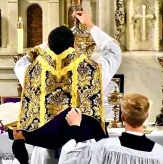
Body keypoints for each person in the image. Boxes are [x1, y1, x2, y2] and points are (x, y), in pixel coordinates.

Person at [13, 10, 122, 164]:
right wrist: (89, 25)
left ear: (48, 46)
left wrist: (45, 44)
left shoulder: (31, 71)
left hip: (44, 148)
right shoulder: (93, 71)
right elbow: (113, 51)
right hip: (82, 148)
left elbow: (21, 62)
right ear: (74, 45)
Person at [58, 93, 163, 164]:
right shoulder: (159, 153)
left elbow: (69, 159)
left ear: (122, 118)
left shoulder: (104, 147)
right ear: (147, 117)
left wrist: (74, 126)